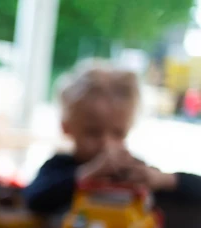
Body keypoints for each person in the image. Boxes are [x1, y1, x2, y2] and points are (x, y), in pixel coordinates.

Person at [23, 60, 201, 215]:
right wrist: (86, 175)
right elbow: (33, 199)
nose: (106, 145)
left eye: (118, 133)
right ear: (67, 127)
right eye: (93, 132)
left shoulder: (131, 169)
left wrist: (163, 180)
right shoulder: (59, 167)